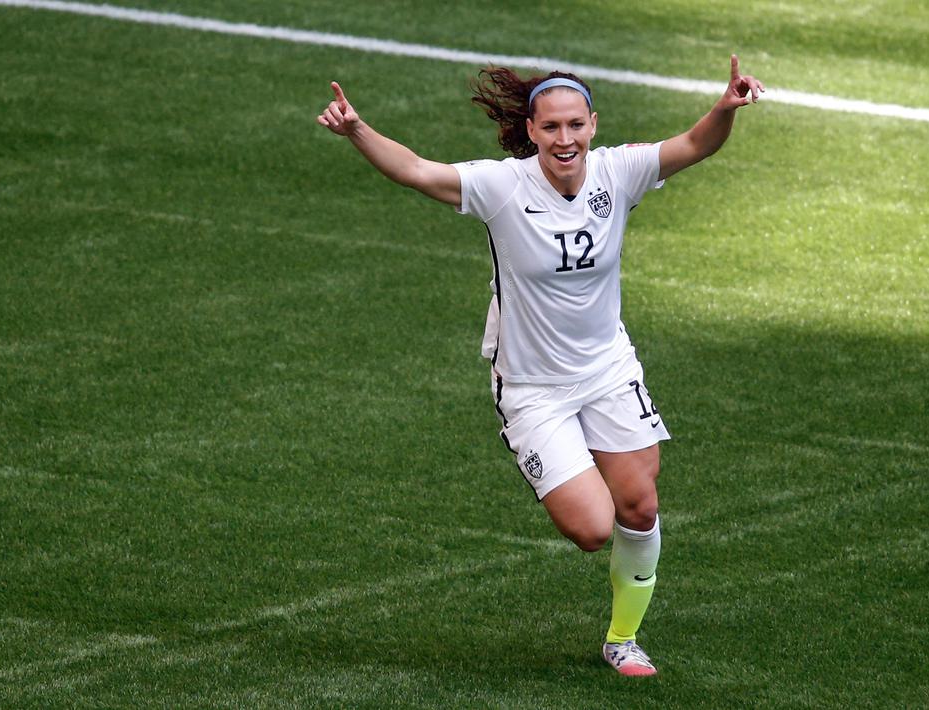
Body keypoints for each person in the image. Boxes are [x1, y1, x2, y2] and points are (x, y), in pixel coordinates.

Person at [317, 56, 763, 677]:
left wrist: (725, 108)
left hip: (608, 368)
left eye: (575, 125)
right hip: (532, 388)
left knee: (639, 506)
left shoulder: (619, 171)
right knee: (591, 528)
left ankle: (622, 640)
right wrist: (358, 130)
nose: (565, 139)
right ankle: (546, 456)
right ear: (531, 131)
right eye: (551, 127)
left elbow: (693, 144)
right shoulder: (502, 187)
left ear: (592, 125)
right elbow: (418, 171)